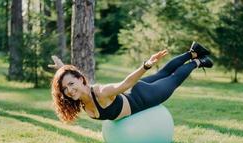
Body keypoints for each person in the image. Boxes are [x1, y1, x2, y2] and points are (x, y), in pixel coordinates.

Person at [51, 41, 213, 123]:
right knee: (164, 73)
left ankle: (198, 62)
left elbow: (125, 84)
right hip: (136, 93)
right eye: (65, 89)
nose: (69, 90)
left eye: (71, 84)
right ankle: (193, 52)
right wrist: (61, 69)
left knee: (173, 79)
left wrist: (146, 65)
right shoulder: (83, 97)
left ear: (80, 79)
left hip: (144, 97)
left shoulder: (100, 92)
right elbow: (72, 81)